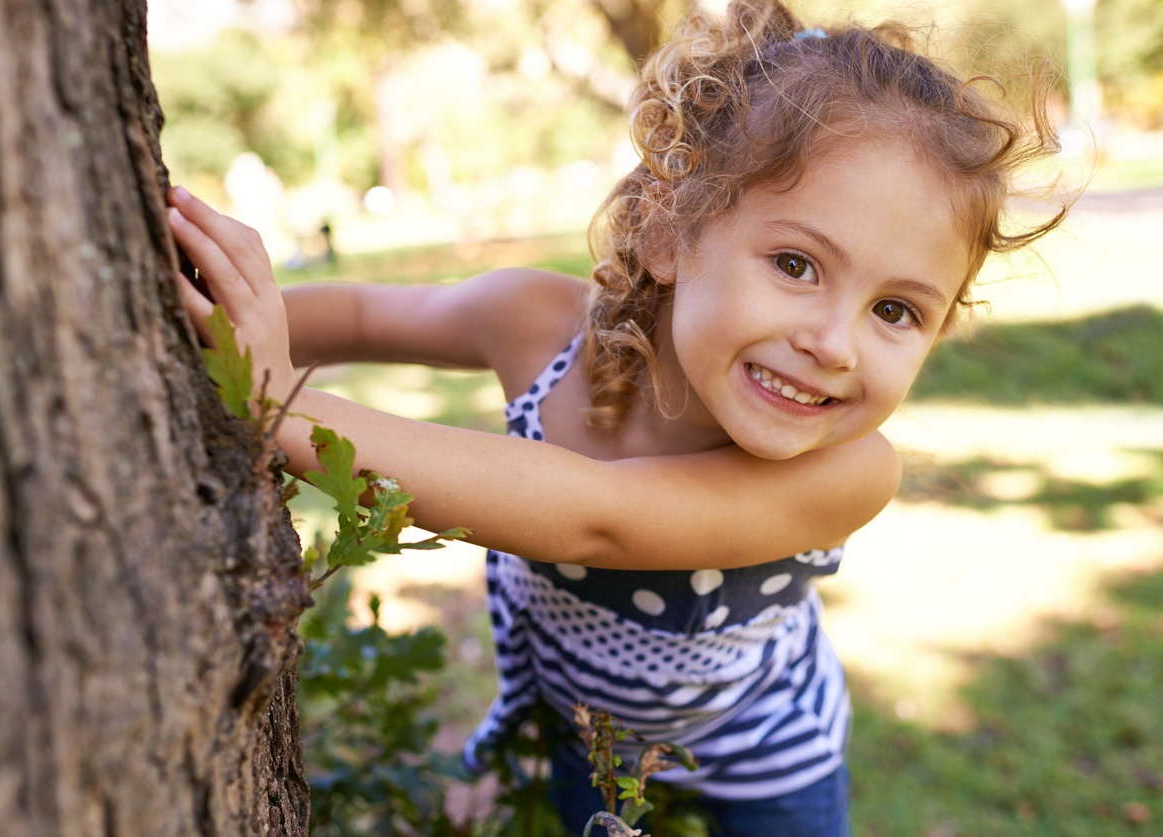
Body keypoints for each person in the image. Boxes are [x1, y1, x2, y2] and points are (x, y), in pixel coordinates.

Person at [165, 0, 1064, 832]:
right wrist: (219, 313)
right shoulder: (535, 326)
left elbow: (598, 515)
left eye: (896, 311)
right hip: (586, 738)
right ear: (669, 232)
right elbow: (366, 317)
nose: (835, 343)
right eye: (795, 264)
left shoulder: (849, 470)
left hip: (764, 767)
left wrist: (279, 401)